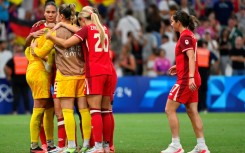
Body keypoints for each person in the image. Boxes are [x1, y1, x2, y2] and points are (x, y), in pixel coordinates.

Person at [47, 6, 114, 153]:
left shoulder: (86, 29)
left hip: (93, 72)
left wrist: (50, 36)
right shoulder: (104, 28)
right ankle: (107, 146)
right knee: (106, 111)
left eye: (80, 22)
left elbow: (65, 44)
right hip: (108, 71)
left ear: (83, 19)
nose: (79, 24)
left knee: (93, 111)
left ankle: (91, 147)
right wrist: (64, 24)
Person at [160, 10, 210, 153]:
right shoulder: (188, 36)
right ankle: (202, 146)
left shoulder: (184, 37)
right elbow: (188, 57)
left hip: (186, 79)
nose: (171, 24)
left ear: (178, 23)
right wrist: (179, 66)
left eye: (172, 21)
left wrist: (190, 77)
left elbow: (191, 56)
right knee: (192, 111)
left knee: (169, 109)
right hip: (191, 77)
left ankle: (176, 145)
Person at [25, 0, 57, 152]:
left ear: (57, 13)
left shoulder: (48, 29)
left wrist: (33, 49)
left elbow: (28, 51)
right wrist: (32, 39)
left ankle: (50, 144)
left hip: (35, 71)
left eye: (53, 12)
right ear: (44, 13)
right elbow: (38, 52)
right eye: (48, 12)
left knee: (49, 107)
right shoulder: (44, 31)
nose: (50, 15)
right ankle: (33, 145)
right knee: (38, 109)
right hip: (40, 73)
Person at [4, 42, 30, 114]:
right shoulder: (27, 58)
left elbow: (5, 67)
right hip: (24, 80)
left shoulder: (14, 58)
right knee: (25, 96)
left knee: (17, 96)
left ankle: (15, 111)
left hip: (16, 80)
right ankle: (27, 111)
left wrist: (8, 76)